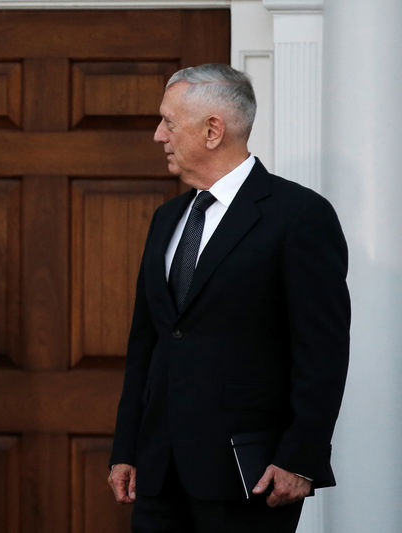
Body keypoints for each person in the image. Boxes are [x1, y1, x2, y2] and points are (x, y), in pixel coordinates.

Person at [107, 64, 349, 533]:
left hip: (250, 475)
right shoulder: (167, 218)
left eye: (168, 122)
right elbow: (147, 345)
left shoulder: (299, 216)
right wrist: (127, 449)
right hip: (158, 474)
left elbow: (322, 351)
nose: (159, 135)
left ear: (213, 130)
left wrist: (301, 458)